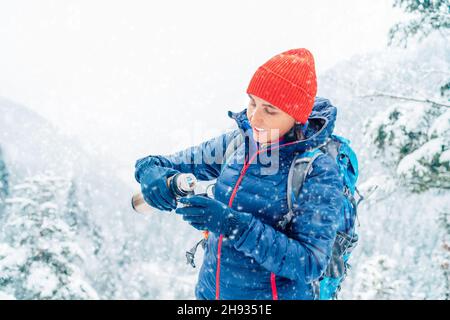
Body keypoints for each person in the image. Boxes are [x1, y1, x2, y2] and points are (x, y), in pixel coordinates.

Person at [134, 48, 343, 300]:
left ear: (297, 117)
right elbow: (164, 162)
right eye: (252, 102)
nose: (255, 117)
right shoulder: (238, 143)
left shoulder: (317, 171)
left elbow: (309, 262)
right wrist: (150, 172)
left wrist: (231, 224)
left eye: (271, 110)